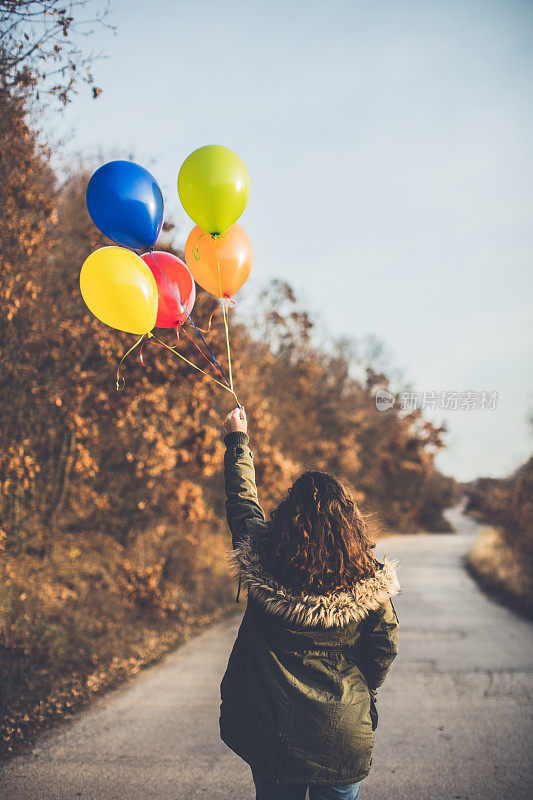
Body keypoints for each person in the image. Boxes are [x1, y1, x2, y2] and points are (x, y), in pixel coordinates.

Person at [219, 407, 400, 800]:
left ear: (286, 517)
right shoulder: (368, 579)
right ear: (350, 521)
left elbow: (243, 505)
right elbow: (383, 648)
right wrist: (356, 687)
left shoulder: (262, 558)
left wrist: (238, 441)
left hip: (272, 734)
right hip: (342, 732)